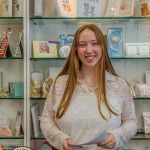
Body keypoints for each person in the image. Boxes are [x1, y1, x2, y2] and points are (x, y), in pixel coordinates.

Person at [40, 24, 138, 150]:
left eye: (94, 43)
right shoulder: (59, 84)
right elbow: (46, 120)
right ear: (75, 49)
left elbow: (131, 122)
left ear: (103, 47)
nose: (89, 50)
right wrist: (61, 139)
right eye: (82, 44)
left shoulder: (119, 85)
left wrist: (116, 137)